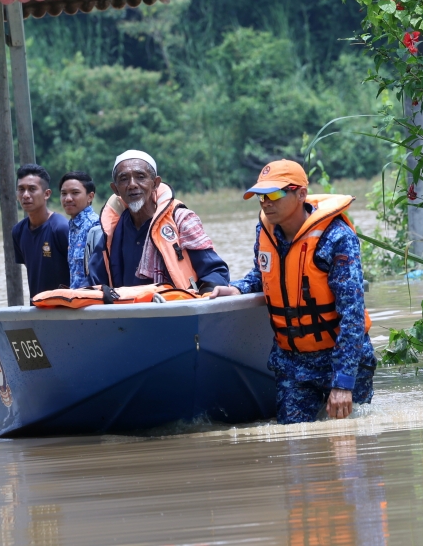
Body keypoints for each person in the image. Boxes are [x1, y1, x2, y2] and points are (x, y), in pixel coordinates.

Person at [209, 160, 377, 424]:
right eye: (261, 196)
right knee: (295, 447)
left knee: (350, 444)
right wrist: (235, 289)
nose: (266, 202)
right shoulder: (265, 232)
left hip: (339, 358)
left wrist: (343, 382)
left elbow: (353, 314)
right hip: (293, 364)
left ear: (300, 194)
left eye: (275, 194)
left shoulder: (336, 237)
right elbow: (261, 275)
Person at [88, 150, 229, 292]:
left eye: (140, 177)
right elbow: (94, 283)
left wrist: (204, 296)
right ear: (116, 189)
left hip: (175, 307)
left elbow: (216, 272)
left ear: (155, 183)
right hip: (127, 311)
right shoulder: (111, 231)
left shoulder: (180, 220)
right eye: (124, 179)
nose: (132, 185)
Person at [13, 164, 70, 300]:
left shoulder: (60, 228)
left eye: (32, 189)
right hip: (38, 310)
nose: (25, 195)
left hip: (65, 310)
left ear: (47, 194)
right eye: (21, 189)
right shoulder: (18, 231)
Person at [58, 170, 100, 289]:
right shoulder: (73, 225)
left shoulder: (95, 226)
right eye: (64, 193)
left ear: (90, 196)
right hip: (77, 300)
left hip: (92, 301)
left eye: (75, 193)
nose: (68, 198)